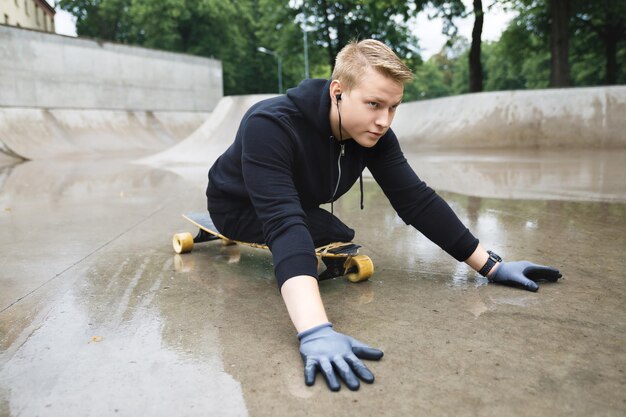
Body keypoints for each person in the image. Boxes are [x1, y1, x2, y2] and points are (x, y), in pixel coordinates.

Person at [206, 39, 562, 392]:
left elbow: (416, 201)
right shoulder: (270, 124)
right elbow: (284, 223)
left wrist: (491, 265)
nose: (383, 121)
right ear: (338, 92)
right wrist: (315, 330)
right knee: (300, 231)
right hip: (236, 206)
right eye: (374, 104)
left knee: (337, 231)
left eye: (393, 108)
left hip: (296, 204)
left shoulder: (373, 136)